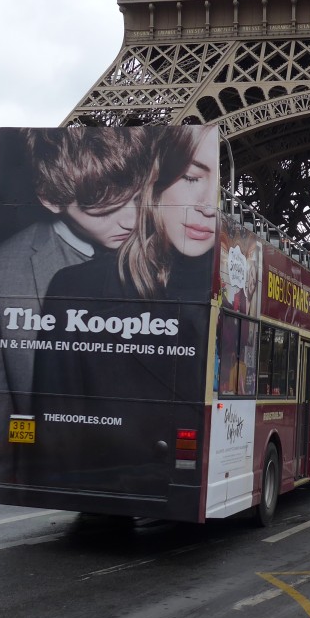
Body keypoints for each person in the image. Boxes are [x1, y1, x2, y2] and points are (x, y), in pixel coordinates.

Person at [28, 126, 220, 490]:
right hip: (109, 478)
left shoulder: (244, 297)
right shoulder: (76, 287)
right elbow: (57, 428)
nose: (209, 206)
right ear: (154, 182)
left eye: (224, 192)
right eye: (192, 177)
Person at [0, 126, 152, 414]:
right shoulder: (2, 273)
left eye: (137, 198)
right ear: (51, 199)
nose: (131, 222)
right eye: (105, 209)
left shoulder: (178, 248)